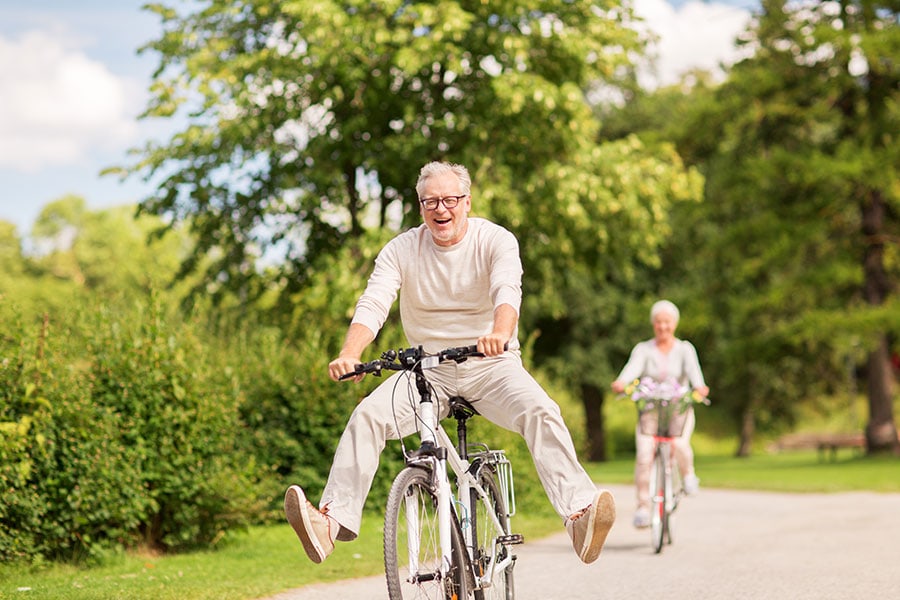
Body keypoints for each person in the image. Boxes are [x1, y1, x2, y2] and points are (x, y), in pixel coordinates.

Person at [284, 160, 616, 565]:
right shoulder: (402, 249)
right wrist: (350, 353)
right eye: (430, 202)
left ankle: (579, 516)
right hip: (427, 371)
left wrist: (499, 332)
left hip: (491, 365)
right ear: (420, 207)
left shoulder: (495, 240)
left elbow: (507, 290)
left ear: (467, 202)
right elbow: (374, 302)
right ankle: (329, 524)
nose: (441, 209)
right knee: (367, 416)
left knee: (541, 410)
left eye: (449, 200)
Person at [610, 300, 709, 529]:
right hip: (651, 411)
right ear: (653, 324)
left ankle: (688, 475)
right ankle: (643, 508)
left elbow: (696, 376)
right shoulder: (644, 349)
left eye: (667, 322)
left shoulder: (685, 349)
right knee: (644, 455)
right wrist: (622, 382)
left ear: (674, 324)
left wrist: (700, 388)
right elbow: (631, 370)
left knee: (679, 444)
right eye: (658, 322)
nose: (663, 327)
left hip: (678, 410)